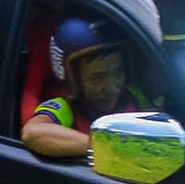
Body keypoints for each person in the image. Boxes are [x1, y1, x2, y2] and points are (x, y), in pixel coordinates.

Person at [21, 17, 144, 158]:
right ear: (72, 81)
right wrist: (108, 146)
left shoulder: (135, 97)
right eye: (98, 78)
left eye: (118, 72)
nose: (112, 87)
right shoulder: (63, 108)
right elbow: (32, 132)